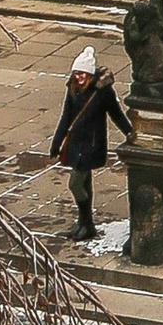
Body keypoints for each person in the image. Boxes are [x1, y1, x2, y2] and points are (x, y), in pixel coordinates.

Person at [48, 44, 131, 242]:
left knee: (75, 184)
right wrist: (56, 143)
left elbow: (116, 114)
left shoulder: (103, 92)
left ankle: (87, 222)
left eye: (83, 74)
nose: (79, 77)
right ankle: (84, 223)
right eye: (76, 73)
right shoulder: (72, 89)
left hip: (92, 145)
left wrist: (130, 133)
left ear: (90, 74)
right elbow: (66, 117)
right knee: (85, 182)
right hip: (76, 143)